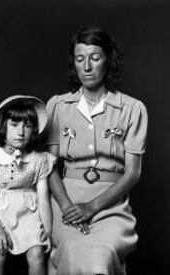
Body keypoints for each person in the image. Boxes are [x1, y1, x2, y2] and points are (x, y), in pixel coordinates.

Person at [46, 27, 148, 275]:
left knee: (101, 257)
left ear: (108, 61)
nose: (87, 66)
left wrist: (92, 207)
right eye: (80, 59)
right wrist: (69, 208)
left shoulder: (132, 109)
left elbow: (132, 174)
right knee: (71, 250)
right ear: (75, 64)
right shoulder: (58, 106)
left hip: (110, 204)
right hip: (66, 201)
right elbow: (48, 168)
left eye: (95, 57)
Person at [0, 95, 55, 275]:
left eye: (27, 126)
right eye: (14, 125)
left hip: (29, 213)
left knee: (36, 254)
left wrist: (48, 228)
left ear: (34, 130)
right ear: (3, 127)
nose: (20, 132)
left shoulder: (39, 159)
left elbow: (43, 199)